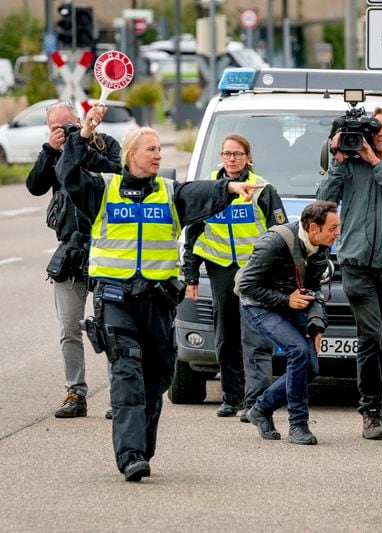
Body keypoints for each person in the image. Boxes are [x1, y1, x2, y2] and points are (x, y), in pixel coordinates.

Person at [56, 110, 263, 482]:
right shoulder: (104, 189)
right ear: (131, 155)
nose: (157, 155)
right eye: (150, 149)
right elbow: (68, 174)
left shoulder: (169, 191)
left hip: (157, 302)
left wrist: (230, 188)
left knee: (157, 377)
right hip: (116, 298)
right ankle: (131, 454)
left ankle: (141, 447)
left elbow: (200, 193)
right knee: (127, 373)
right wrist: (83, 133)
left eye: (159, 150)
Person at [317, 106, 382, 440]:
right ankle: (370, 410)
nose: (380, 134)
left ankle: (380, 405)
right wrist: (338, 161)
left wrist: (376, 163)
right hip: (356, 264)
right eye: (376, 128)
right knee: (371, 336)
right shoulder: (350, 163)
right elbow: (322, 203)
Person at [26, 101, 120, 418]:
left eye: (69, 125)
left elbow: (115, 174)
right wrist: (50, 151)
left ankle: (117, 395)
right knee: (69, 327)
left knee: (112, 326)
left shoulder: (108, 144)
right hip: (70, 249)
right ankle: (75, 393)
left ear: (80, 120)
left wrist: (82, 141)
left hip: (107, 248)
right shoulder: (54, 153)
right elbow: (35, 187)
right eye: (57, 128)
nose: (65, 131)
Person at [183, 134, 286, 419]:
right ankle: (232, 396)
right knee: (226, 334)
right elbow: (192, 235)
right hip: (221, 268)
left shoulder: (263, 189)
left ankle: (258, 398)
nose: (231, 159)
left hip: (255, 270)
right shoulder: (208, 189)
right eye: (227, 154)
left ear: (248, 157)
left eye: (237, 154)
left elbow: (280, 233)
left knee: (255, 335)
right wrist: (190, 275)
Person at [239, 201, 339, 445]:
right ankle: (298, 425)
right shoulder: (274, 242)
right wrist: (286, 299)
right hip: (260, 305)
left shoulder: (321, 246)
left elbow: (314, 290)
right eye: (333, 228)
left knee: (311, 367)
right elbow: (247, 286)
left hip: (291, 303)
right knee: (297, 352)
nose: (338, 233)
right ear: (314, 228)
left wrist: (317, 325)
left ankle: (260, 409)